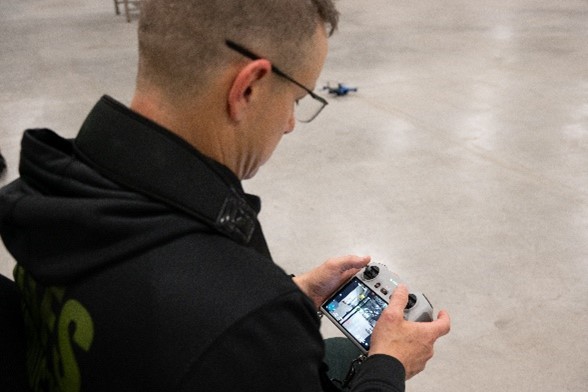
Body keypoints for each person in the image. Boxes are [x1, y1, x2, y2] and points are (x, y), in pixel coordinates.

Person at [0, 0, 450, 391]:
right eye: (296, 99)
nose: (291, 124)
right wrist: (389, 366)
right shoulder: (242, 318)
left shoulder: (49, 191)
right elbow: (215, 316)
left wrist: (289, 297)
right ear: (247, 88)